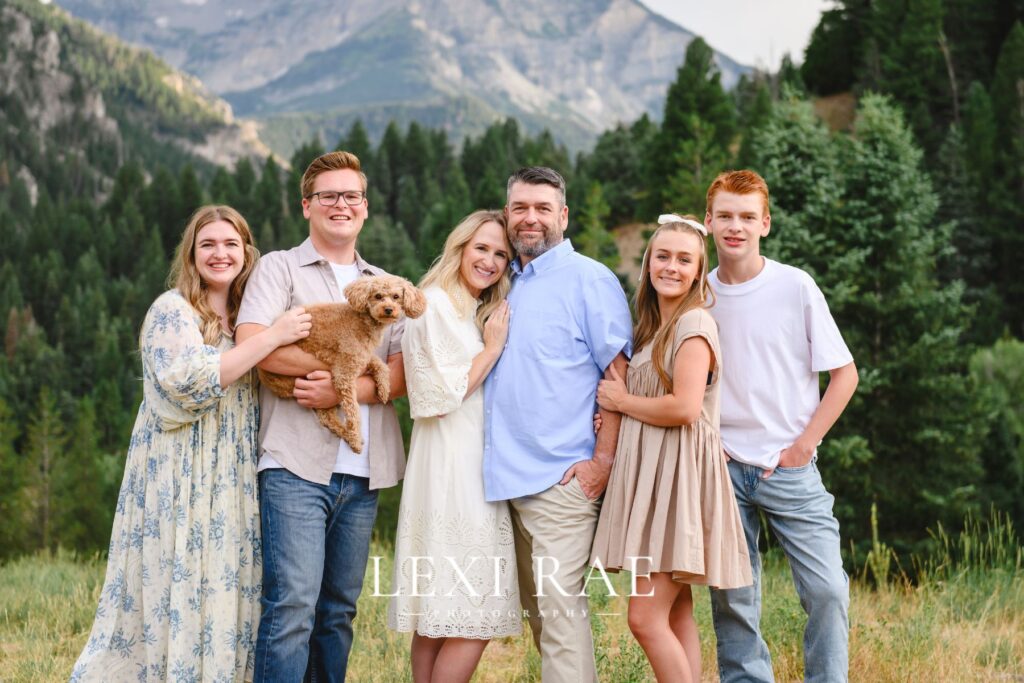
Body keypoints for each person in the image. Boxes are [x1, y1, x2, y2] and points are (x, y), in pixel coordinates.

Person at [71, 205, 312, 683]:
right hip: (180, 469)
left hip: (235, 473)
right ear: (191, 254)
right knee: (178, 581)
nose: (220, 254)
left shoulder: (249, 317)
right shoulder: (173, 310)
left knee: (229, 584)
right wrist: (274, 338)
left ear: (247, 252)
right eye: (208, 245)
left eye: (230, 244)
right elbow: (190, 382)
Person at [235, 151, 408, 682]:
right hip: (293, 467)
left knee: (337, 614)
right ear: (307, 205)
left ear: (365, 208)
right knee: (291, 609)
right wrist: (349, 371)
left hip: (362, 471)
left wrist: (343, 389)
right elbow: (256, 346)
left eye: (351, 195)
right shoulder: (279, 268)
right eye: (329, 195)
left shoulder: (384, 284)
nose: (341, 205)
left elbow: (399, 375)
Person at [704, 170, 859, 683]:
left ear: (765, 224)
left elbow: (845, 374)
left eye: (747, 217)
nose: (735, 227)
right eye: (725, 215)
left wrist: (803, 445)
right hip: (722, 467)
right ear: (708, 222)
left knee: (828, 591)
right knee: (734, 598)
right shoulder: (698, 294)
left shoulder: (795, 286)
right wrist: (709, 443)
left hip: (789, 467)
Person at [483, 166, 632, 683]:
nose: (530, 218)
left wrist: (602, 464)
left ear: (563, 216)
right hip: (503, 484)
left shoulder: (589, 279)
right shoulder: (502, 283)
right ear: (507, 215)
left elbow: (619, 374)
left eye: (543, 208)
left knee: (562, 621)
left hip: (562, 484)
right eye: (520, 207)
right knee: (541, 622)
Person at [591, 214, 753, 682]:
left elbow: (684, 408)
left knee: (643, 618)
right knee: (676, 613)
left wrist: (623, 400)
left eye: (685, 260)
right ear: (647, 264)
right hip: (655, 477)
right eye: (662, 256)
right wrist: (618, 411)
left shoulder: (694, 323)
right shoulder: (652, 328)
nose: (671, 267)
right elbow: (652, 401)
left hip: (678, 479)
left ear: (699, 271)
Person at [387, 209, 522, 683]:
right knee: (473, 612)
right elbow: (436, 396)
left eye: (501, 254)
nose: (490, 260)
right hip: (451, 468)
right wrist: (492, 348)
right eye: (481, 248)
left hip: (471, 462)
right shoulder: (431, 304)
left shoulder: (470, 308)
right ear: (460, 247)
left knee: (441, 613)